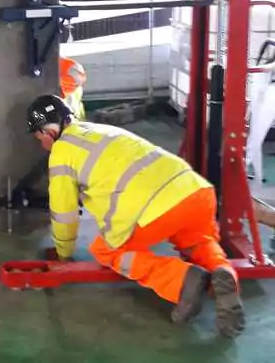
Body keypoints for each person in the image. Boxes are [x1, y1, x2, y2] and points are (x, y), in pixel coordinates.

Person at [26, 94, 245, 337]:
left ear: (50, 131)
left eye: (39, 138)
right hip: (194, 190)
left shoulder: (61, 154)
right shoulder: (100, 129)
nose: (41, 144)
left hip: (152, 208)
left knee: (105, 250)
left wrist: (63, 254)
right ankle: (223, 273)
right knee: (198, 241)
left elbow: (64, 213)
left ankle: (182, 280)